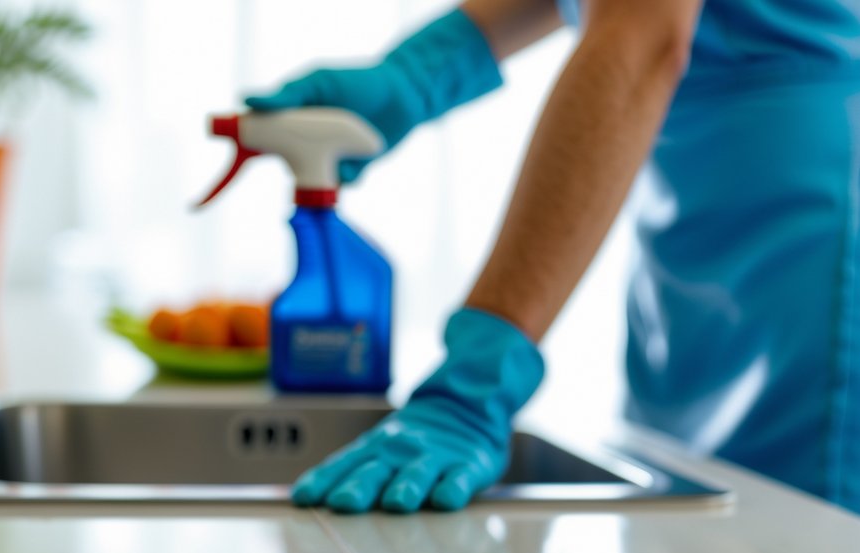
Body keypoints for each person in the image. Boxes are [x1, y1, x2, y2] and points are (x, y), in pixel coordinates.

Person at [247, 0, 860, 515]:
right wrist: (421, 70)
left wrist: (480, 371)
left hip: (806, 235)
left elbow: (641, 37)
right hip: (700, 204)